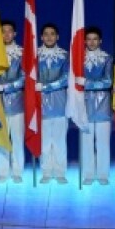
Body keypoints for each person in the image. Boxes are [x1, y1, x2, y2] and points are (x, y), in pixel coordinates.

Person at [0, 20, 26, 183]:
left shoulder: (23, 53)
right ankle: (2, 171)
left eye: (10, 31)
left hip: (17, 104)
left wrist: (4, 87)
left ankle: (17, 171)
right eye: (3, 31)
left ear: (15, 34)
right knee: (1, 137)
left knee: (17, 139)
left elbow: (25, 78)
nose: (7, 34)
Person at [78, 25, 113, 184]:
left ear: (100, 41)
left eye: (95, 39)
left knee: (103, 143)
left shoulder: (107, 58)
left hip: (103, 107)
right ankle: (88, 174)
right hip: (84, 106)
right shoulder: (78, 59)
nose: (92, 42)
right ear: (84, 41)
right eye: (89, 39)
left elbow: (108, 82)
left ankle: (103, 174)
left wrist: (86, 83)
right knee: (86, 143)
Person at [36, 22, 70, 183]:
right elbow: (29, 77)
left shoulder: (65, 55)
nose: (49, 37)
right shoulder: (33, 55)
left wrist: (45, 86)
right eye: (46, 34)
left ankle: (60, 171)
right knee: (44, 141)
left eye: (52, 34)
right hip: (39, 105)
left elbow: (66, 78)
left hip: (59, 104)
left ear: (57, 37)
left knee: (59, 141)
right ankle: (46, 172)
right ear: (41, 37)